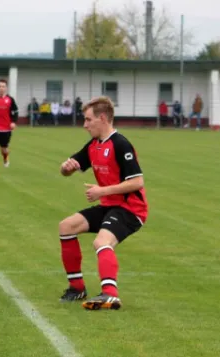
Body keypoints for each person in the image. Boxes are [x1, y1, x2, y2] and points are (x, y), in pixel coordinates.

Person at [58, 96, 148, 311]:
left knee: (101, 242)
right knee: (66, 226)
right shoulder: (94, 145)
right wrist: (66, 167)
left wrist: (102, 191)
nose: (85, 125)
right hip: (109, 206)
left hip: (130, 209)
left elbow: (137, 182)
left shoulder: (120, 144)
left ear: (102, 118)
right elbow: (68, 169)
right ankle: (77, 287)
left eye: (88, 120)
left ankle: (110, 294)